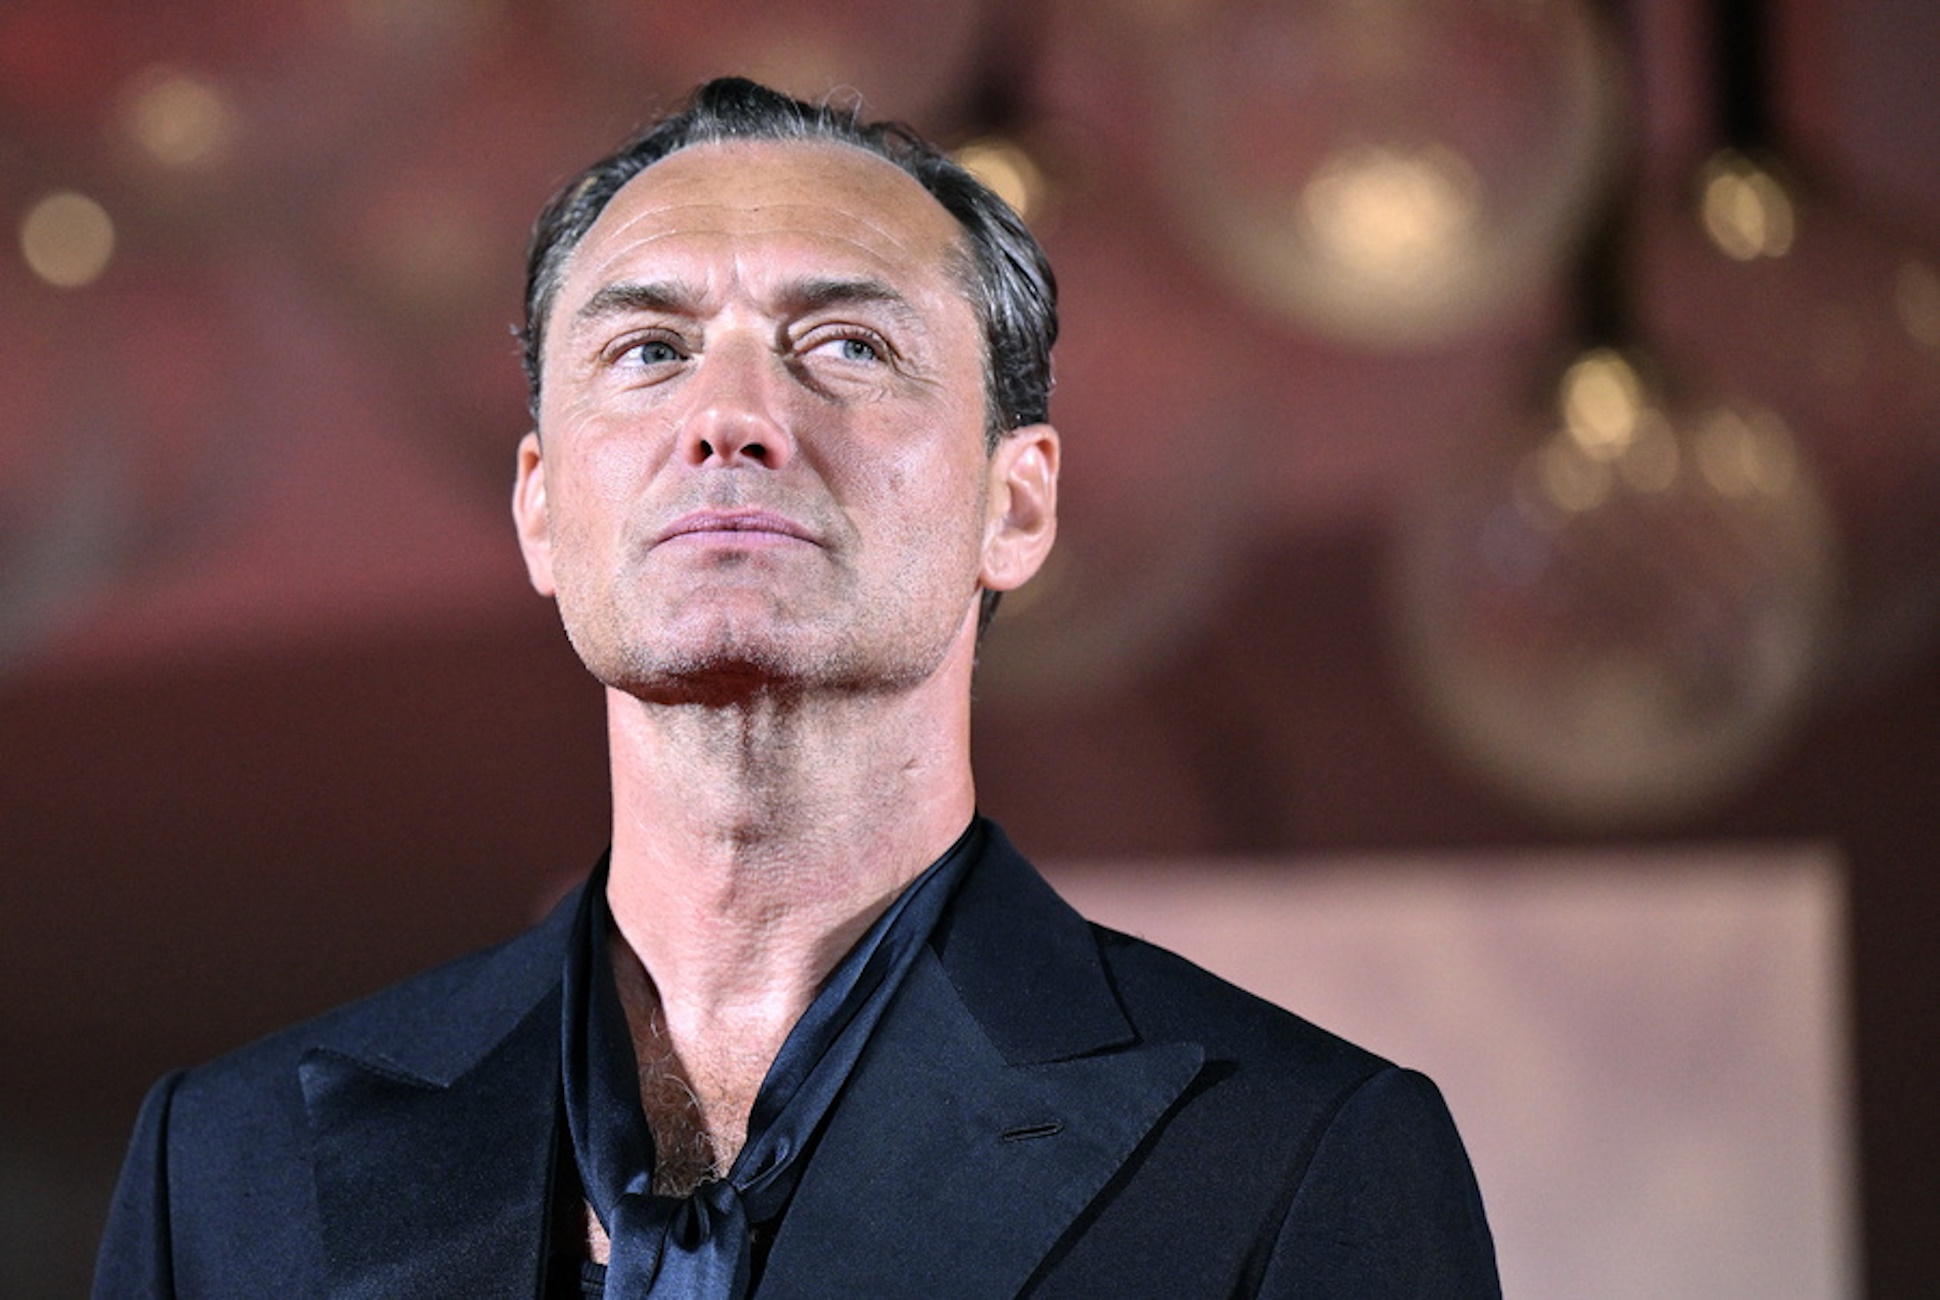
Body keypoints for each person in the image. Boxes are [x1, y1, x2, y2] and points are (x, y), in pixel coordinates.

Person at [93, 78, 1499, 1298]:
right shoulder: (225, 1171)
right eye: (647, 351)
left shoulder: (1292, 1158)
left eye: (849, 348)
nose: (732, 419)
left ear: (1016, 505)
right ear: (540, 507)